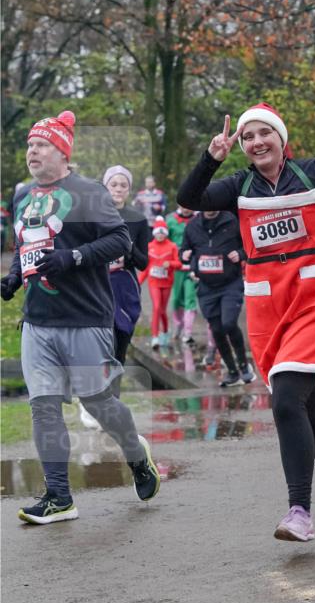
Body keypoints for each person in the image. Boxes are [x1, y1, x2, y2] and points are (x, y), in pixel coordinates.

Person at [177, 98, 315, 543]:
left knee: (287, 399)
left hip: (313, 302)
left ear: (281, 138)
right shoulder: (239, 185)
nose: (256, 142)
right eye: (248, 137)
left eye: (264, 132)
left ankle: (299, 511)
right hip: (268, 311)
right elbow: (189, 199)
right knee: (306, 405)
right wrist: (211, 158)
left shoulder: (313, 173)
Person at [0, 110, 160, 524]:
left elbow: (119, 240)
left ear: (62, 152)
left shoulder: (88, 192)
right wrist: (14, 278)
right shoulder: (22, 195)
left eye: (41, 144)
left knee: (98, 403)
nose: (32, 151)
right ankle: (58, 496)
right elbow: (26, 244)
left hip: (86, 317)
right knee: (43, 406)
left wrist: (73, 257)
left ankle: (136, 453)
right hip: (38, 321)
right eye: (30, 145)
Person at [180, 207, 256, 387]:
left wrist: (240, 254)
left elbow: (250, 245)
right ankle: (232, 372)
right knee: (217, 330)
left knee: (228, 323)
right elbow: (184, 250)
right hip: (206, 287)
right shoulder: (192, 225)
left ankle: (244, 366)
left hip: (230, 283)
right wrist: (184, 255)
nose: (210, 207)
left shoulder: (232, 220)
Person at [102, 165, 149, 396]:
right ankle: (100, 396)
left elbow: (143, 263)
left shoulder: (138, 220)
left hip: (126, 289)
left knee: (120, 345)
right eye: (113, 184)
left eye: (123, 185)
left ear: (129, 190)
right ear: (105, 187)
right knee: (105, 344)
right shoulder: (95, 217)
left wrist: (128, 247)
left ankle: (114, 398)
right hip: (99, 287)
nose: (118, 189)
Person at [138, 216, 182, 348]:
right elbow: (146, 268)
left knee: (162, 310)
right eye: (158, 233)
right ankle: (155, 337)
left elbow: (179, 264)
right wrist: (137, 282)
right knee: (156, 307)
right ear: (154, 233)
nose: (160, 235)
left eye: (162, 233)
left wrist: (170, 263)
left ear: (166, 233)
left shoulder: (172, 246)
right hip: (153, 282)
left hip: (167, 282)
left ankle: (165, 331)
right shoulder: (149, 246)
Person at [166, 205, 199, 344]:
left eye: (189, 205)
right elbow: (164, 242)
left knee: (190, 299)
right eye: (183, 205)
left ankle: (188, 332)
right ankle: (178, 325)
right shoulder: (170, 220)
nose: (186, 208)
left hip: (193, 267)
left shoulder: (198, 219)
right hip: (176, 268)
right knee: (176, 300)